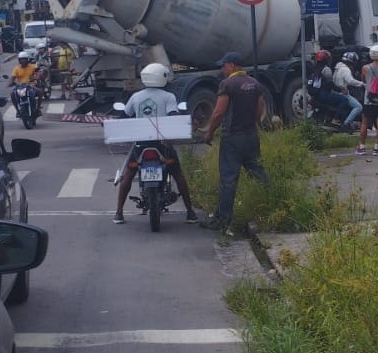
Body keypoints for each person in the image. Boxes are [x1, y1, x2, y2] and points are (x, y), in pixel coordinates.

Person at [113, 62, 198, 225]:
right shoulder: (169, 97)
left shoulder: (136, 97)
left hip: (141, 144)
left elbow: (124, 116)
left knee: (129, 175)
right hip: (162, 144)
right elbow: (173, 115)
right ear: (162, 78)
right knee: (178, 174)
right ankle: (190, 212)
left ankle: (118, 213)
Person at [201, 52, 270, 236]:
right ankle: (271, 205)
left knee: (228, 180)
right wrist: (251, 124)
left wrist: (209, 134)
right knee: (259, 173)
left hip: (232, 138)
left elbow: (218, 113)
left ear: (232, 65)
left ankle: (223, 221)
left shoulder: (228, 84)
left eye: (224, 66)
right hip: (251, 136)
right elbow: (260, 108)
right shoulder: (255, 84)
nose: (223, 69)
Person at [356, 44, 378, 159]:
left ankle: (361, 146)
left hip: (368, 99)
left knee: (365, 122)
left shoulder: (365, 68)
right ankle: (377, 148)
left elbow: (363, 79)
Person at [312, 50, 352, 129]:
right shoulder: (326, 70)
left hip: (316, 95)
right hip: (324, 95)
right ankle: (336, 119)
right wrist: (341, 90)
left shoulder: (315, 69)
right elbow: (330, 84)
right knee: (344, 100)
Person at [332, 51, 364, 132]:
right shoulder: (345, 69)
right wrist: (361, 84)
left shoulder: (338, 67)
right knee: (358, 107)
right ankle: (347, 123)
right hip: (342, 93)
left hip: (336, 91)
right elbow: (350, 81)